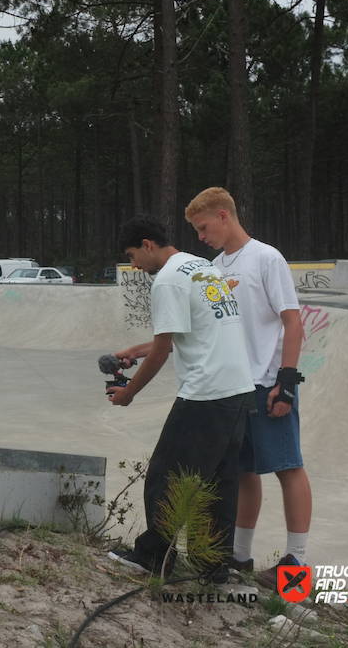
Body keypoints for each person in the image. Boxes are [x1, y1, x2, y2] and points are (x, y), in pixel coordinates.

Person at [106, 214, 254, 578]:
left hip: (205, 392)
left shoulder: (168, 280)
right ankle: (212, 566)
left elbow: (162, 350)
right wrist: (136, 351)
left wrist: (128, 393)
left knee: (166, 474)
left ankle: (153, 558)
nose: (133, 266)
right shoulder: (200, 266)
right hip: (237, 389)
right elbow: (182, 336)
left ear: (147, 245)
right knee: (219, 482)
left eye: (132, 256)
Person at [185, 187, 309, 587]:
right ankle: (239, 556)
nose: (201, 237)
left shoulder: (266, 258)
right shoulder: (215, 266)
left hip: (268, 382)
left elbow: (292, 321)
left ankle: (297, 561)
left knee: (288, 466)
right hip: (234, 384)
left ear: (224, 216)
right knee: (242, 471)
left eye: (203, 228)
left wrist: (286, 382)